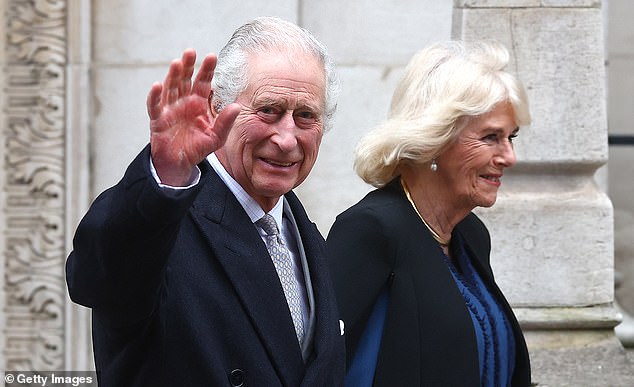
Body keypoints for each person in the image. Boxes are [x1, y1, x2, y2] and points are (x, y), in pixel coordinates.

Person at [66, 17, 345, 387]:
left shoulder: (303, 232)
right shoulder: (164, 220)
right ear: (216, 108)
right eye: (269, 110)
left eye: (305, 116)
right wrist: (165, 177)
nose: (287, 138)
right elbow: (94, 278)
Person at [326, 40, 532, 386]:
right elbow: (327, 365)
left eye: (511, 137)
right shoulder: (371, 230)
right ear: (435, 138)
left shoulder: (471, 234)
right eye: (491, 137)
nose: (509, 156)